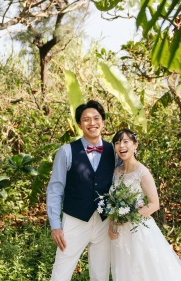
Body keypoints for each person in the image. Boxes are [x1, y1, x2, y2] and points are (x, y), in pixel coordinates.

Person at [108, 129, 181, 280]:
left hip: (139, 230)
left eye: (125, 141)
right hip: (119, 233)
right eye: (117, 142)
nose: (121, 146)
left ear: (135, 145)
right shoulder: (116, 172)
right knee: (125, 271)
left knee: (144, 270)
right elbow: (111, 202)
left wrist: (128, 217)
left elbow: (154, 204)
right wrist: (112, 223)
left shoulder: (142, 172)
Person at [46, 100, 116, 281]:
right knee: (61, 272)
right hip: (74, 220)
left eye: (96, 118)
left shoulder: (114, 151)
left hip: (103, 221)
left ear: (103, 121)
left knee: (100, 274)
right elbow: (55, 189)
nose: (92, 123)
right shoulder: (66, 151)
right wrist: (55, 225)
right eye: (86, 119)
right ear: (79, 124)